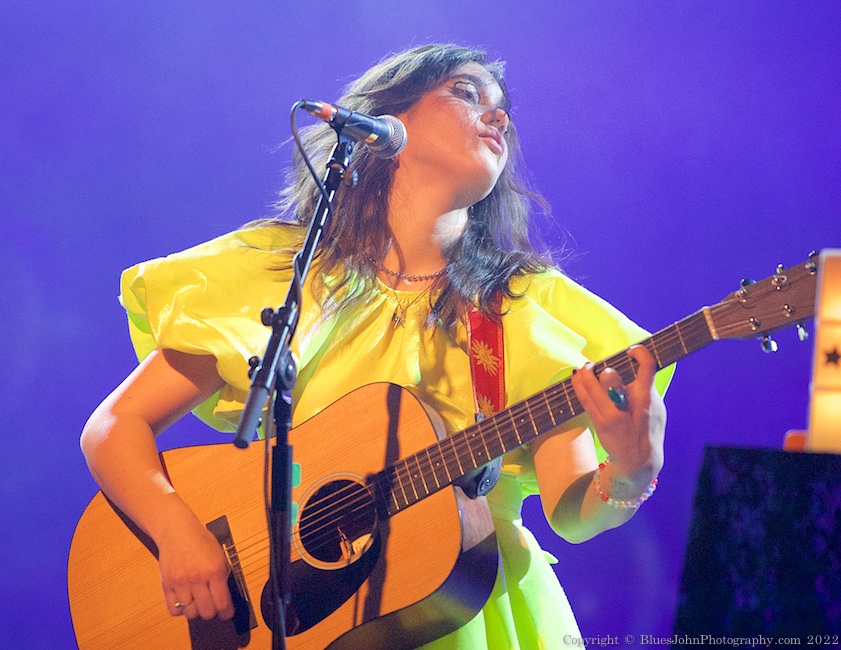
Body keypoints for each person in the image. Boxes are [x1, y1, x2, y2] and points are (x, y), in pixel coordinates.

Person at [81, 43, 672, 648]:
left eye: (505, 111)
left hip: (463, 613)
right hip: (299, 616)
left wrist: (629, 476)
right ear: (386, 123)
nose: (499, 118)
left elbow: (571, 513)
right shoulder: (286, 273)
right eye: (467, 94)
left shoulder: (522, 309)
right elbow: (115, 426)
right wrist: (178, 533)